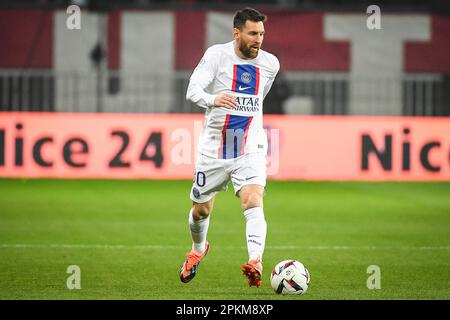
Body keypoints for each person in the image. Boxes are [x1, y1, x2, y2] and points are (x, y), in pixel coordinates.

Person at [180, 7, 280, 288]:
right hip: (213, 148)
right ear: (236, 33)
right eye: (252, 33)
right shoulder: (217, 55)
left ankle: (256, 260)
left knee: (252, 200)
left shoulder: (270, 64)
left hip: (249, 145)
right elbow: (192, 91)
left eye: (261, 33)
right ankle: (198, 250)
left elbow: (259, 98)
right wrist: (214, 100)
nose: (258, 39)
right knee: (200, 210)